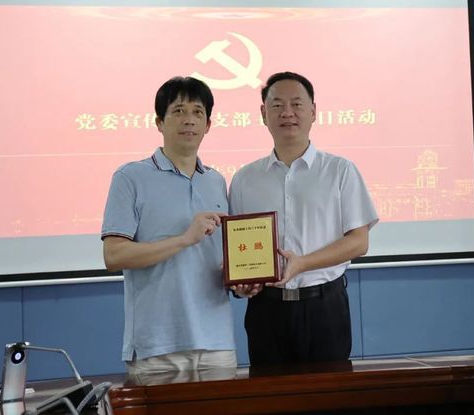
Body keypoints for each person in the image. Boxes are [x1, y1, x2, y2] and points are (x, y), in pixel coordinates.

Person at [229, 72, 379, 365]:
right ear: (263, 114)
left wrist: (303, 263)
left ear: (313, 112)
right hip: (266, 311)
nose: (287, 113)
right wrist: (244, 283)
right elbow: (238, 247)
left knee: (329, 390)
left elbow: (359, 242)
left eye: (296, 104)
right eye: (277, 105)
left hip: (324, 307)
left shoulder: (340, 171)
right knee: (268, 390)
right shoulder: (245, 179)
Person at [101, 76, 236, 376]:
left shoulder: (216, 181)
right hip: (157, 347)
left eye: (197, 112)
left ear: (208, 125)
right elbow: (114, 256)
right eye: (178, 111)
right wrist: (184, 239)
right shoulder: (130, 177)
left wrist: (241, 280)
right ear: (159, 122)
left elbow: (219, 258)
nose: (189, 120)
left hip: (217, 343)